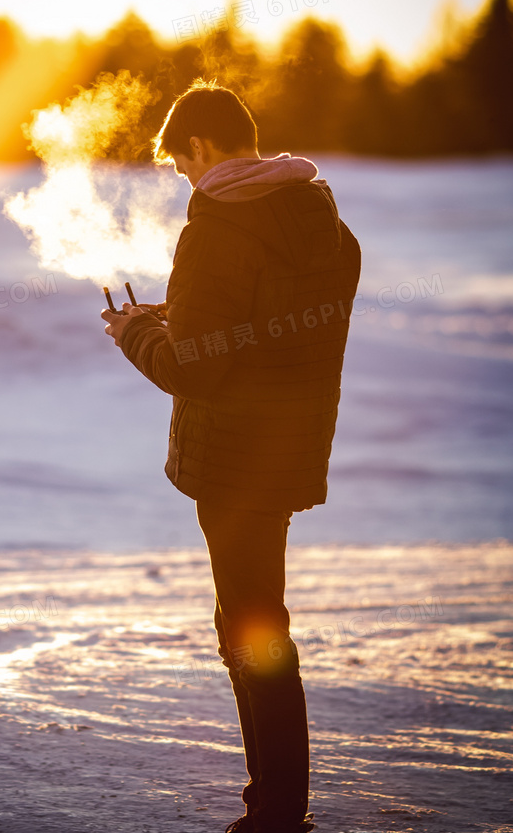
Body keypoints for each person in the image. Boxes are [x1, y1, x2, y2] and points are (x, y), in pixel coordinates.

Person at [101, 80, 361, 833]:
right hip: (287, 451)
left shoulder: (216, 229)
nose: (186, 179)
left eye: (182, 165)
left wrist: (136, 334)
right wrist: (177, 314)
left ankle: (277, 811)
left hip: (234, 460)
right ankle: (280, 803)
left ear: (203, 147)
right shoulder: (325, 223)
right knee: (258, 624)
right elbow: (271, 322)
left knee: (252, 631)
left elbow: (195, 370)